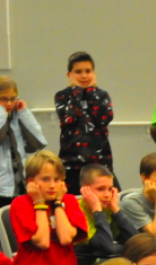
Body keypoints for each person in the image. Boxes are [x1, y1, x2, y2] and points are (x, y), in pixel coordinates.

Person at [0, 76, 48, 229]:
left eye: (12, 99)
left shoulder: (18, 119)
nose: (9, 104)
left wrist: (24, 113)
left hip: (20, 187)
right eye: (3, 99)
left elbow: (38, 142)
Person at [9, 150, 87, 265]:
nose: (52, 185)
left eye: (57, 179)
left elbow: (65, 238)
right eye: (46, 179)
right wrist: (39, 203)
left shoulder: (69, 201)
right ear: (31, 182)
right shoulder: (20, 204)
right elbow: (42, 241)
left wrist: (58, 204)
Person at [56, 51, 114, 192]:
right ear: (69, 75)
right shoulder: (62, 96)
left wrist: (91, 92)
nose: (84, 75)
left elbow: (103, 119)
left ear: (94, 73)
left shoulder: (101, 95)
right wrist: (76, 91)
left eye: (88, 71)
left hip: (100, 162)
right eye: (78, 72)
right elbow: (69, 118)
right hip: (71, 163)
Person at [77, 164, 137, 260]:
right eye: (100, 189)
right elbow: (106, 247)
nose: (107, 195)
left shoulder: (107, 209)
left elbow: (136, 242)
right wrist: (97, 211)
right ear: (85, 190)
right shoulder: (76, 210)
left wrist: (116, 210)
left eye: (110, 189)